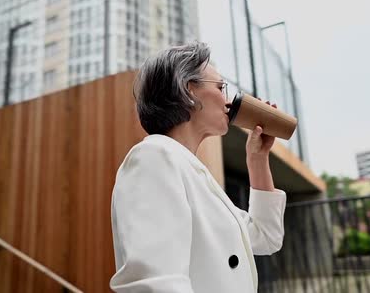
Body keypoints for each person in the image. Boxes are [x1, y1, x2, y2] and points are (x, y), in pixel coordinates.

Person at [110, 42, 286, 293]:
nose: (228, 101)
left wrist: (257, 159)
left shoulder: (192, 171)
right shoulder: (153, 157)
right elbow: (156, 284)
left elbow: (266, 236)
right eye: (220, 87)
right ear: (188, 90)